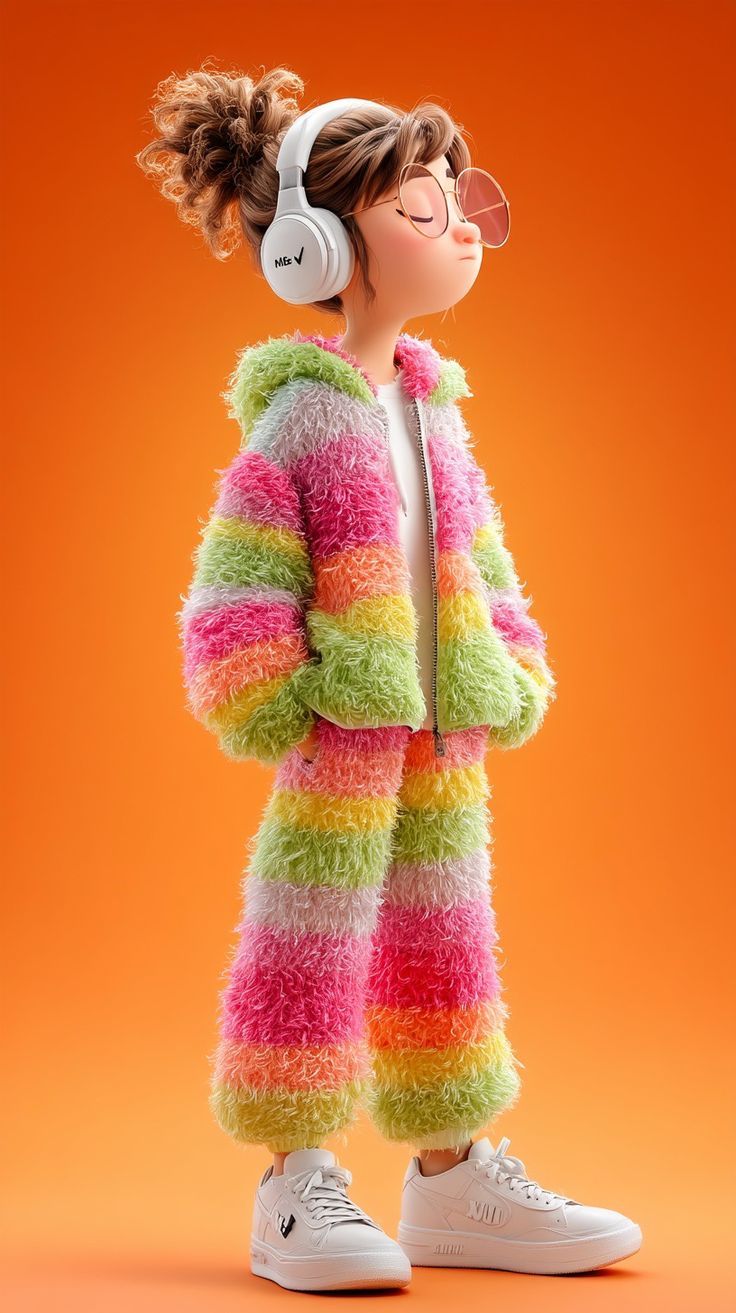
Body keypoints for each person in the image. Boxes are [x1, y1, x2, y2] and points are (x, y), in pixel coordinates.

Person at [136, 63, 642, 1291]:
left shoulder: (432, 409)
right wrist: (278, 696)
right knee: (305, 945)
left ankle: (451, 1173)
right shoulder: (300, 422)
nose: (460, 228)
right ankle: (293, 1178)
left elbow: (477, 554)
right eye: (421, 210)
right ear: (316, 252)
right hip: (343, 738)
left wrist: (509, 657)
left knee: (445, 943)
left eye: (459, 203)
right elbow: (236, 580)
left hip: (440, 734)